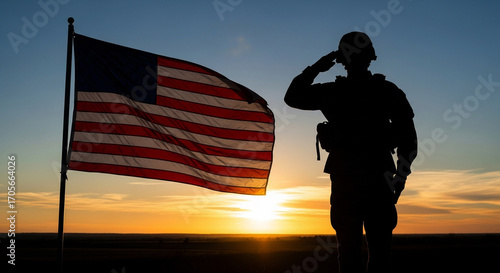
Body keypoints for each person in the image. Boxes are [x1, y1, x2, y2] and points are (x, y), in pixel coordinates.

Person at [284, 32, 418, 273]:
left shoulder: (334, 92)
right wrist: (400, 177)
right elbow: (409, 140)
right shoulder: (386, 91)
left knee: (352, 251)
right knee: (373, 252)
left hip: (351, 177)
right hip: (375, 176)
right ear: (371, 57)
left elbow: (293, 96)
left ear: (341, 59)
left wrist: (317, 67)